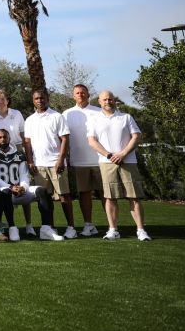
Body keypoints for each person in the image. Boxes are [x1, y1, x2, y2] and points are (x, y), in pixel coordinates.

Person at [86, 90, 150, 241]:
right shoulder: (94, 119)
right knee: (110, 197)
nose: (108, 102)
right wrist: (109, 155)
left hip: (128, 161)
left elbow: (136, 136)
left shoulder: (126, 117)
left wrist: (123, 154)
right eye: (105, 100)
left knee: (134, 197)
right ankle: (113, 230)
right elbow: (92, 141)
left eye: (110, 99)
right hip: (107, 163)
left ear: (114, 101)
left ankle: (141, 230)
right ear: (99, 102)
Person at [0, 128, 65, 241]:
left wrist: (23, 187)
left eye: (5, 137)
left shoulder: (19, 154)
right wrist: (10, 187)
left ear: (9, 138)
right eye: (0, 137)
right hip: (4, 190)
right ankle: (12, 228)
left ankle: (46, 228)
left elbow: (24, 174)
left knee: (41, 190)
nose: (3, 139)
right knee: (6, 191)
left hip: (19, 189)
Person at [23, 89, 80, 238]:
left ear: (47, 99)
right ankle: (49, 227)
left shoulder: (57, 116)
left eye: (42, 98)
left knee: (64, 195)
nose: (39, 100)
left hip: (56, 163)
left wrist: (61, 159)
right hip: (39, 165)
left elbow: (65, 139)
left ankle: (71, 227)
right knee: (45, 197)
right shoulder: (29, 120)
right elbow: (27, 143)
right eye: (36, 98)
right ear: (33, 101)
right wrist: (30, 161)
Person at [63, 83, 104, 236]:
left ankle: (112, 226)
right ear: (73, 96)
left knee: (104, 194)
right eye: (77, 93)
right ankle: (88, 225)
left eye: (83, 92)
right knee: (84, 193)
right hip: (78, 161)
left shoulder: (99, 112)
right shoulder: (66, 114)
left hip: (100, 160)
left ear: (88, 94)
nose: (80, 95)